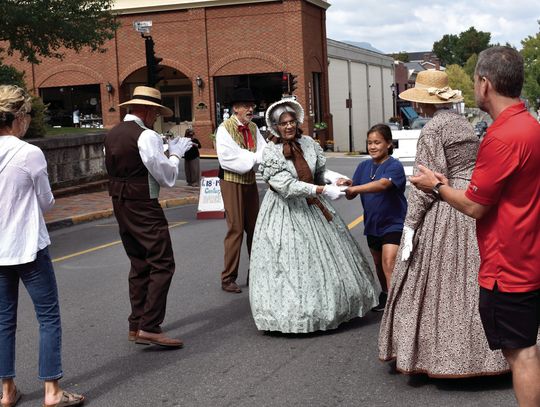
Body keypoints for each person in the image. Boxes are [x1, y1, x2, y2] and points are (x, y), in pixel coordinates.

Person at [410, 47, 539, 405]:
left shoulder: (501, 136)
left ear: (484, 84)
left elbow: (474, 205)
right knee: (525, 349)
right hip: (529, 252)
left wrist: (435, 185)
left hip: (507, 264)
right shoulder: (530, 126)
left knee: (522, 354)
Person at [378, 69, 509, 377]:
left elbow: (427, 184)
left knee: (441, 285)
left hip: (447, 206)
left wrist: (410, 226)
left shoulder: (433, 129)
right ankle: (495, 355)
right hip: (470, 199)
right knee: (475, 280)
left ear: (422, 102)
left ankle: (448, 358)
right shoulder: (462, 123)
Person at [248, 98, 380, 333]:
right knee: (290, 260)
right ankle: (295, 316)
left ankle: (334, 307)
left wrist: (333, 179)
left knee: (328, 257)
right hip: (285, 211)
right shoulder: (270, 152)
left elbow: (318, 171)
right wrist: (321, 190)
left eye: (291, 122)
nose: (288, 126)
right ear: (274, 126)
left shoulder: (308, 143)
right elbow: (287, 186)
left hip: (313, 205)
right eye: (283, 123)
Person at [0, 85, 85, 407]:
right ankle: (51, 391)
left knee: (3, 320)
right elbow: (47, 202)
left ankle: (7, 390)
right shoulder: (28, 153)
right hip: (28, 246)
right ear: (20, 117)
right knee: (47, 317)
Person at [104, 86, 193, 348]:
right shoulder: (146, 136)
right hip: (143, 203)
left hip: (120, 202)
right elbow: (165, 176)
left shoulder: (113, 134)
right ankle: (150, 325)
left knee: (139, 262)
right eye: (155, 112)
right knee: (162, 262)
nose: (155, 117)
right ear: (147, 110)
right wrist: (176, 153)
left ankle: (136, 323)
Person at [345, 124, 407, 312]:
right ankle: (386, 293)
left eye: (377, 142)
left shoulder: (394, 166)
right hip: (373, 224)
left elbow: (381, 185)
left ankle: (397, 307)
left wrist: (355, 188)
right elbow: (351, 193)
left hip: (394, 223)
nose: (372, 146)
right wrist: (345, 184)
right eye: (369, 143)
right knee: (379, 264)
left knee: (390, 262)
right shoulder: (363, 166)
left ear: (388, 144)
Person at [216, 88, 266, 293]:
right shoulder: (224, 128)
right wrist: (253, 158)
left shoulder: (253, 127)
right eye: (245, 105)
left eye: (251, 105)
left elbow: (264, 151)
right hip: (231, 181)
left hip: (249, 180)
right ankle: (228, 278)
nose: (250, 109)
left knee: (255, 228)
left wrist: (253, 158)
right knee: (235, 228)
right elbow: (228, 159)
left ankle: (255, 273)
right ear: (235, 109)